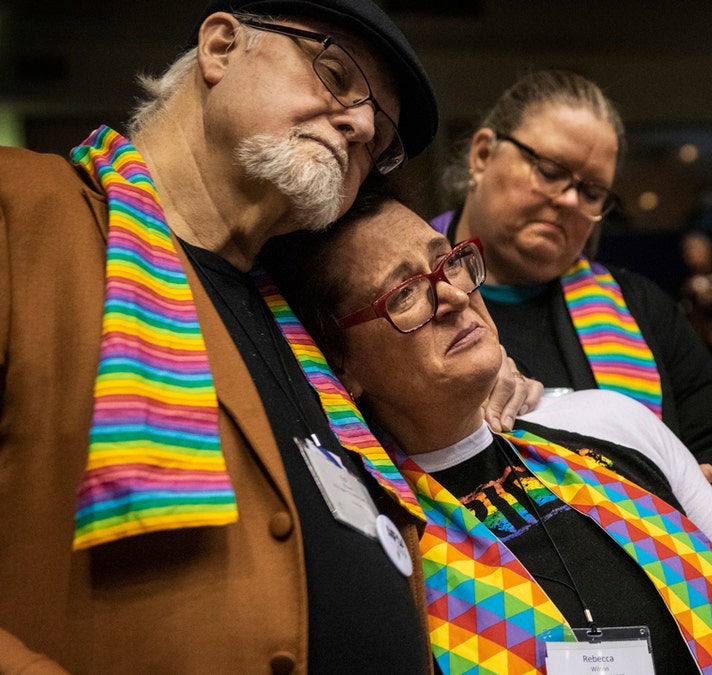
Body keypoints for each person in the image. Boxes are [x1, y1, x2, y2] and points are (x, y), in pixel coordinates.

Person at [0, 2, 500, 672]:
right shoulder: (22, 208)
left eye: (379, 138)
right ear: (221, 46)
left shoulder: (301, 321)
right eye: (335, 74)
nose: (359, 125)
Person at [260, 193, 712, 674]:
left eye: (449, 263)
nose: (456, 295)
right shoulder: (373, 545)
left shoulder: (614, 431)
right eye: (405, 292)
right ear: (339, 366)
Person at [429, 69, 712, 518]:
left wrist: (704, 488)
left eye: (591, 191)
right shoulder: (404, 293)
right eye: (550, 171)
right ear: (483, 154)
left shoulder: (642, 307)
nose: (568, 200)